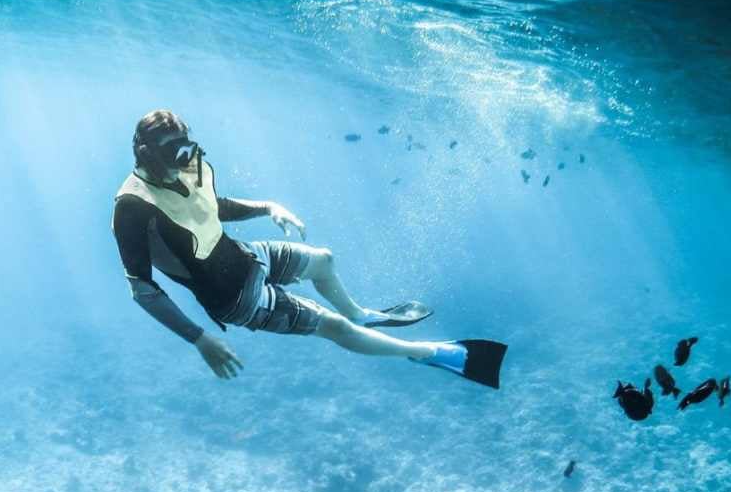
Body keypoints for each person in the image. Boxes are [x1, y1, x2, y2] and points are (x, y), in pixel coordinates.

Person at [111, 110, 506, 386]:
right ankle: (425, 352)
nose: (183, 160)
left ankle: (362, 315)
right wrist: (199, 339)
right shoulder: (131, 207)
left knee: (323, 260)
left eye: (186, 149)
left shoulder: (184, 168)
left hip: (246, 255)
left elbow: (211, 207)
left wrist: (269, 206)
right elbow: (142, 290)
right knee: (333, 327)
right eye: (171, 153)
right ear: (146, 153)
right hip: (234, 298)